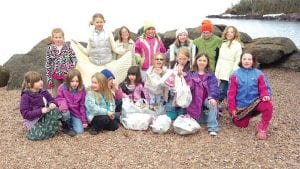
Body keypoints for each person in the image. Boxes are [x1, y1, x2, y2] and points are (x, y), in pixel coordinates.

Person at [227, 52, 273, 140]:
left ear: (253, 61)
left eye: (249, 59)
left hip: (255, 102)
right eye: (244, 59)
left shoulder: (259, 73)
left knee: (268, 105)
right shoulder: (235, 74)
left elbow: (264, 88)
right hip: (241, 106)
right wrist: (232, 109)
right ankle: (239, 117)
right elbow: (231, 94)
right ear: (241, 60)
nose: (246, 61)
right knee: (242, 125)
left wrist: (265, 95)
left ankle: (262, 129)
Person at [20, 71, 61, 140]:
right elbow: (25, 114)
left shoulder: (44, 91)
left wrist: (52, 103)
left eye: (41, 79)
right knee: (35, 137)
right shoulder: (25, 96)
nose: (41, 82)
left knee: (55, 110)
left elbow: (53, 100)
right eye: (37, 81)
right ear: (30, 84)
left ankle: (48, 130)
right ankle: (43, 131)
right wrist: (40, 110)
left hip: (44, 117)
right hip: (34, 120)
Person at [186, 53, 220, 136]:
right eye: (200, 60)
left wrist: (212, 97)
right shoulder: (190, 73)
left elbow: (214, 87)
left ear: (207, 62)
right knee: (197, 120)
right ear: (196, 61)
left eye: (204, 60)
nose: (202, 62)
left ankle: (213, 128)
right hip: (194, 99)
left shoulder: (211, 74)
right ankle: (209, 116)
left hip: (206, 98)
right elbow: (186, 87)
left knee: (212, 104)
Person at [45, 28, 77, 95]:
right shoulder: (50, 49)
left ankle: (69, 103)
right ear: (52, 38)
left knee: (67, 91)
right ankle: (56, 103)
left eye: (60, 37)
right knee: (56, 93)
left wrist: (69, 68)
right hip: (55, 75)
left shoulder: (68, 48)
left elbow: (74, 59)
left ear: (63, 38)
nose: (58, 39)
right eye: (56, 37)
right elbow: (48, 64)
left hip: (66, 75)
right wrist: (49, 79)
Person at [55, 69, 87, 136]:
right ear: (68, 81)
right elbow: (59, 99)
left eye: (77, 81)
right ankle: (66, 127)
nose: (75, 83)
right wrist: (64, 107)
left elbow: (82, 105)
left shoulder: (82, 88)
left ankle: (71, 123)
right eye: (72, 81)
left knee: (80, 131)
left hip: (75, 112)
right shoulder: (62, 87)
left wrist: (84, 120)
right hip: (65, 110)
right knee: (65, 113)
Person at [215, 26, 242, 103]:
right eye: (228, 31)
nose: (229, 33)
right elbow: (220, 58)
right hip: (221, 68)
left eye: (232, 32)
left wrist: (234, 70)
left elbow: (238, 59)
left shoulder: (237, 45)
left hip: (230, 69)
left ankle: (218, 101)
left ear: (235, 34)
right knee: (226, 86)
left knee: (222, 87)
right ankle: (231, 102)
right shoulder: (223, 44)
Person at [165, 48, 191, 120]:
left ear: (188, 59)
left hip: (183, 90)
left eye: (184, 59)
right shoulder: (173, 64)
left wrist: (184, 74)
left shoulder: (189, 67)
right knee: (171, 100)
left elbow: (190, 78)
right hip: (173, 88)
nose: (182, 61)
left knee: (182, 102)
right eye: (180, 59)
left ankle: (181, 111)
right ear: (177, 58)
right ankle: (172, 110)